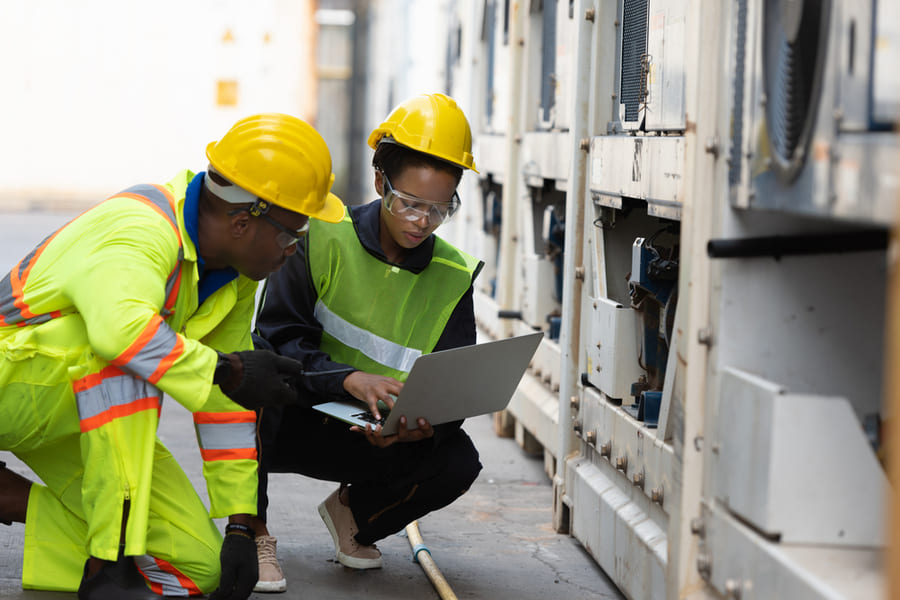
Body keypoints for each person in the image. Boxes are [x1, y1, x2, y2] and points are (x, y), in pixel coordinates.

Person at [0, 113, 345, 599]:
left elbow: (224, 398)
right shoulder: (140, 227)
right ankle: (108, 558)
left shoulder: (234, 277)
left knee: (197, 567)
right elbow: (121, 333)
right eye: (293, 235)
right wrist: (227, 368)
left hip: (71, 410)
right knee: (128, 353)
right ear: (244, 221)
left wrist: (242, 527)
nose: (293, 250)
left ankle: (12, 499)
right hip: (14, 384)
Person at [249, 93, 484, 592]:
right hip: (298, 416)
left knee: (458, 459)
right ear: (381, 183)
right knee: (248, 391)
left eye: (439, 209)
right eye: (410, 203)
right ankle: (253, 534)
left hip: (377, 437)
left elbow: (454, 386)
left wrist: (420, 429)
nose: (422, 220)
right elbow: (275, 339)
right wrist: (349, 380)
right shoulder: (321, 236)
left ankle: (354, 516)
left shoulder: (453, 277)